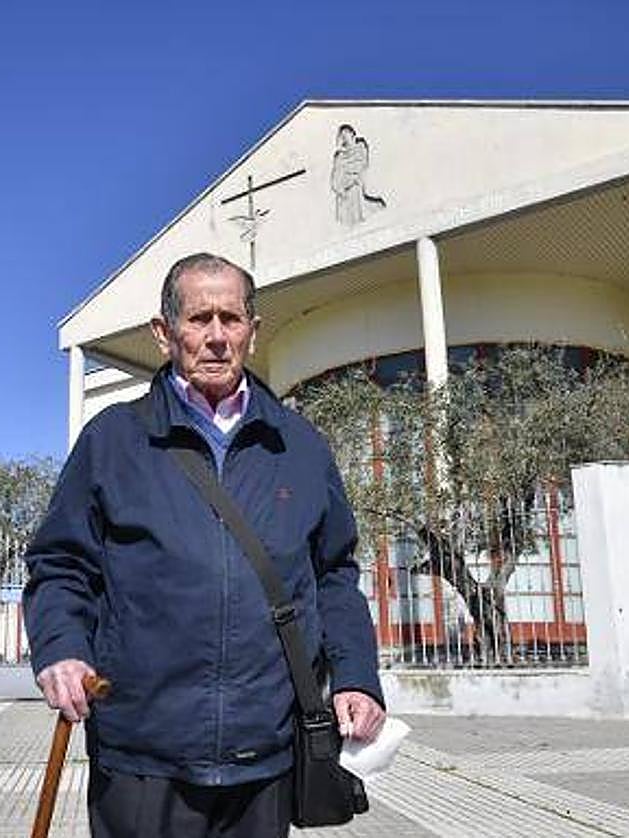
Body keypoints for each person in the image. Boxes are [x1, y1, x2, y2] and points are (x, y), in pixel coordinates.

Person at [24, 252, 385, 837]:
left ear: (252, 331)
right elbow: (61, 564)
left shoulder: (300, 446)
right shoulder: (112, 440)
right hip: (142, 756)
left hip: (266, 755)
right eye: (198, 319)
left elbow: (334, 575)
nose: (217, 336)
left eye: (231, 318)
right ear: (164, 332)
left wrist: (357, 677)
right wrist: (63, 649)